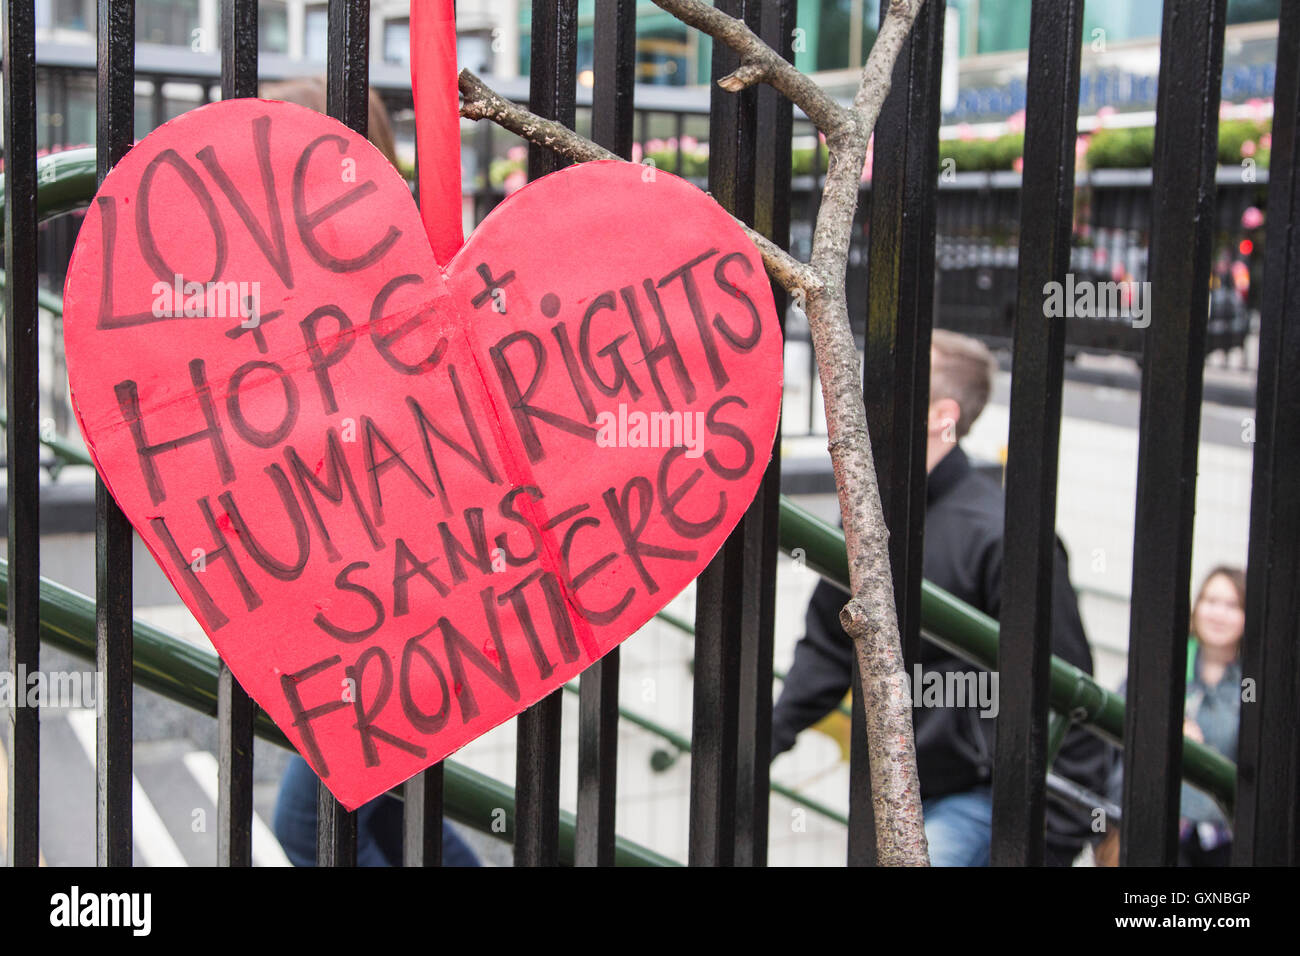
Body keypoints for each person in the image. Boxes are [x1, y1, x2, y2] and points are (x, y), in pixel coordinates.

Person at [771, 329, 1109, 865]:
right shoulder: (869, 514)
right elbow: (830, 647)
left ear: (940, 415)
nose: (861, 396)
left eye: (889, 384)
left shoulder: (1002, 536)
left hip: (983, 801)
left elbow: (1067, 685)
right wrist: (765, 738)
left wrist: (1057, 835)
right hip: (898, 793)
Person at [261, 77, 478, 867]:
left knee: (316, 826)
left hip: (399, 614)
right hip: (381, 613)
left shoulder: (372, 287)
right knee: (388, 818)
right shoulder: (327, 284)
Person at [1176, 566, 1245, 865]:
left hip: (1226, 843)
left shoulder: (1255, 682)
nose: (1218, 613)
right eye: (1210, 600)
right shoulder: (1170, 660)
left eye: (1232, 605)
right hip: (1164, 829)